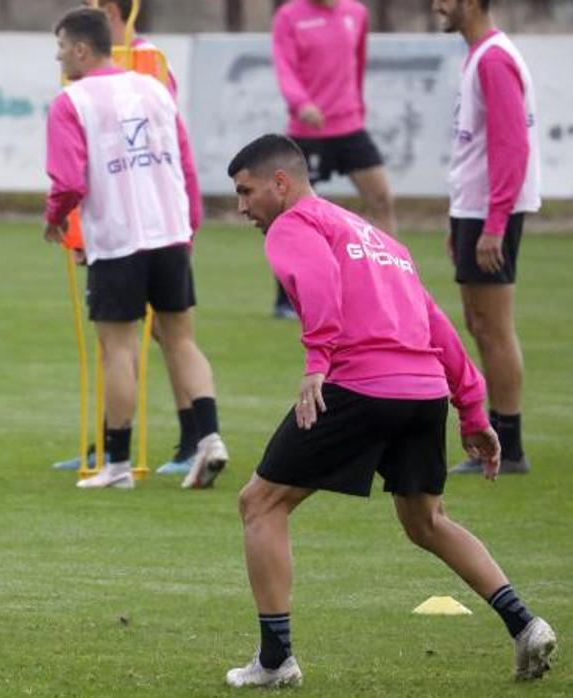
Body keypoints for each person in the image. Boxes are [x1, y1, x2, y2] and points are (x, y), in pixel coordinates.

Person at [223, 134, 555, 688]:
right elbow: (434, 322)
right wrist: (472, 409)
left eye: (246, 191)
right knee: (427, 521)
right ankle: (526, 624)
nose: (241, 208)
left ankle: (276, 660)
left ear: (280, 183)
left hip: (362, 385)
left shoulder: (294, 224)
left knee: (260, 503)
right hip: (423, 392)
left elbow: (320, 284)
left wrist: (316, 360)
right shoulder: (377, 237)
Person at [44, 7, 227, 491]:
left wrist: (54, 219)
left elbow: (67, 180)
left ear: (82, 49)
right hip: (169, 233)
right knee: (181, 339)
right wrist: (190, 224)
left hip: (119, 239)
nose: (59, 56)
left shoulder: (71, 100)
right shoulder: (154, 87)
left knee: (118, 350)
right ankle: (209, 437)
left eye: (61, 47)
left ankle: (118, 465)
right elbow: (185, 162)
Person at [436, 0, 541, 476]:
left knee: (494, 328)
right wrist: (457, 220)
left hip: (489, 213)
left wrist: (494, 223)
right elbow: (475, 147)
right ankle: (496, 433)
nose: (436, 4)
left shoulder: (494, 59)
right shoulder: (479, 54)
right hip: (473, 211)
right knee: (479, 323)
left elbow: (511, 146)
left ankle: (510, 445)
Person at [271, 0, 396, 320]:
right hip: (307, 128)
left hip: (350, 125)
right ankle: (287, 299)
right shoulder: (289, 16)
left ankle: (390, 284)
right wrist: (301, 104)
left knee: (382, 199)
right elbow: (284, 69)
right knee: (293, 214)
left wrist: (358, 108)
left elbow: (359, 64)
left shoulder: (357, 13)